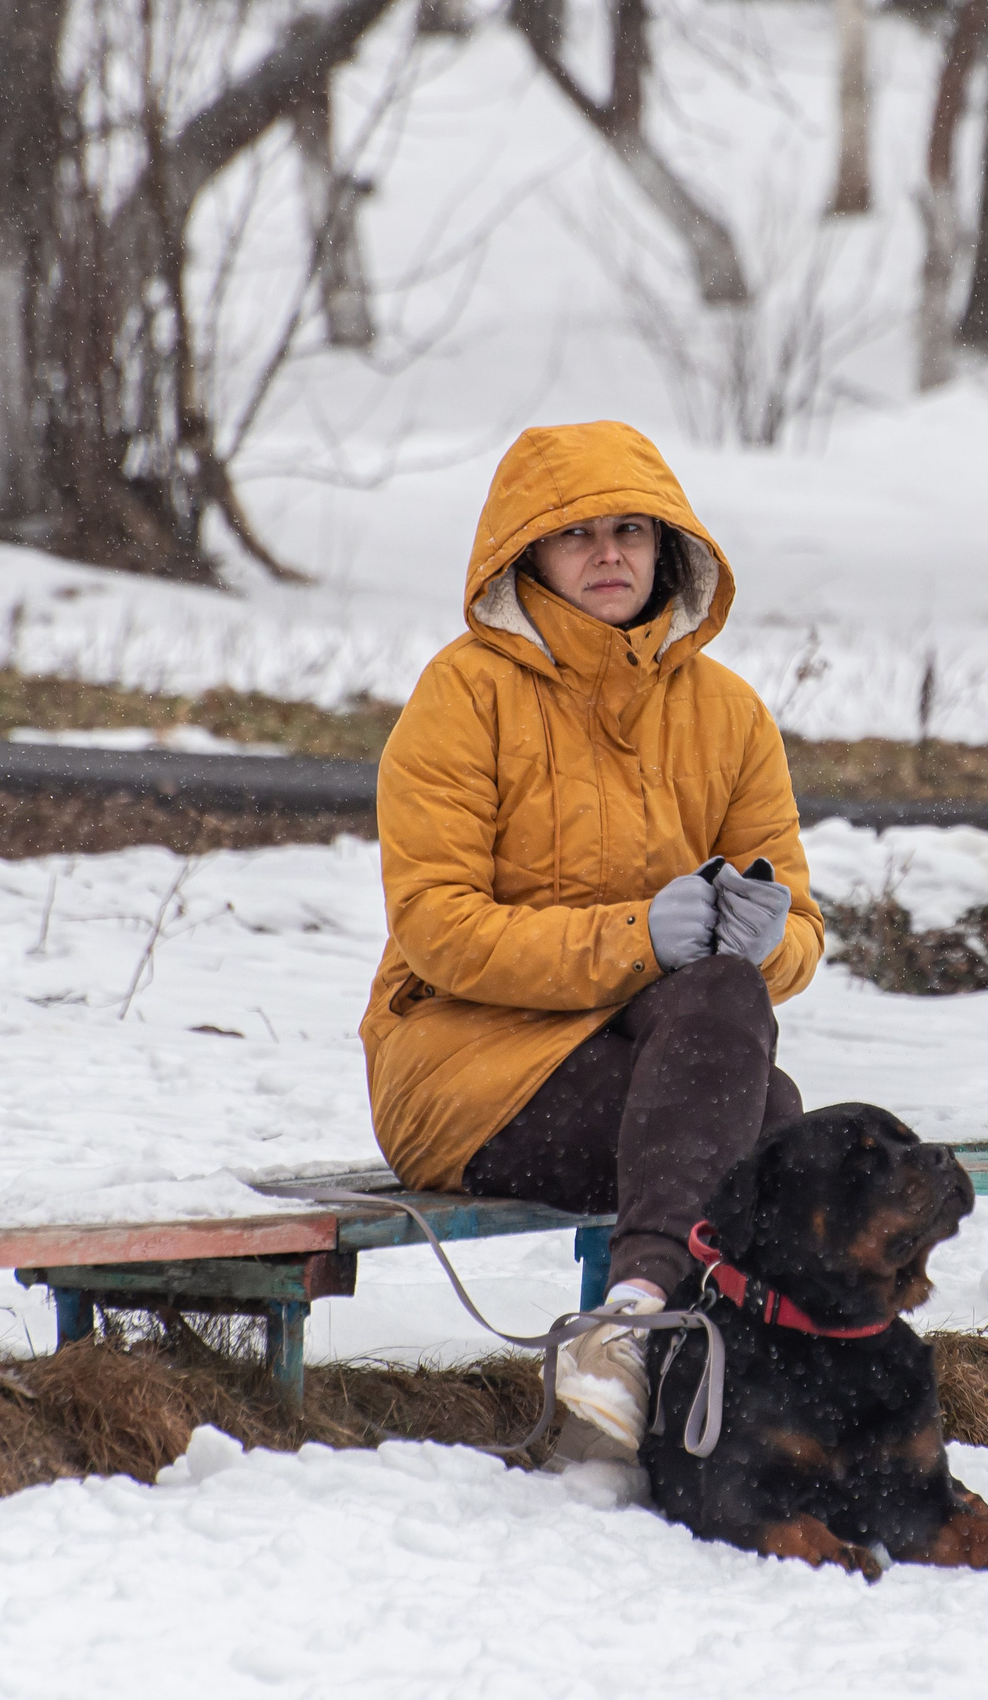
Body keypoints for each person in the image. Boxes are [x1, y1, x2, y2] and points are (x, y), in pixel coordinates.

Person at [361, 420, 823, 1461]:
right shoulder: (462, 695)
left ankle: (638, 1328)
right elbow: (436, 929)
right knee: (761, 1122)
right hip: (469, 1072)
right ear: (525, 556)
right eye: (576, 535)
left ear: (670, 548)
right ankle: (685, 1362)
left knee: (745, 1053)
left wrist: (767, 940)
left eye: (631, 530)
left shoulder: (729, 712)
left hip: (660, 1056)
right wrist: (635, 937)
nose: (609, 555)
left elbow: (800, 926)